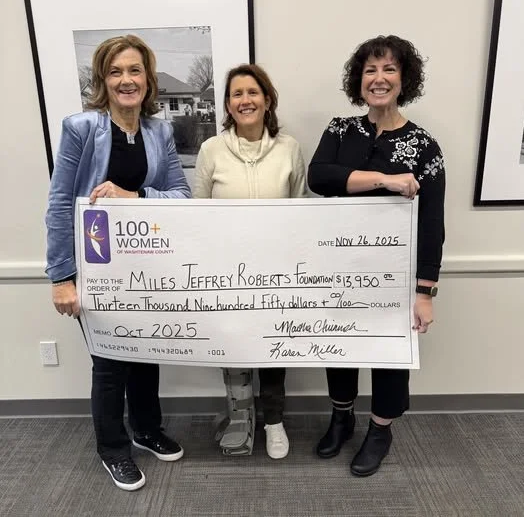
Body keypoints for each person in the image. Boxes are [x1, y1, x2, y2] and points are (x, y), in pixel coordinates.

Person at [45, 35, 191, 491]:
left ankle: (146, 429)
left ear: (148, 79)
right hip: (96, 269)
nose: (126, 80)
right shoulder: (81, 128)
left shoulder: (160, 133)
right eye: (115, 72)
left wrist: (136, 195)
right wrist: (61, 278)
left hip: (146, 268)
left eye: (134, 70)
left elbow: (182, 196)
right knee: (110, 364)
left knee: (146, 354)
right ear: (102, 81)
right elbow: (60, 204)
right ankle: (113, 449)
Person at [308, 35, 445, 477]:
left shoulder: (424, 146)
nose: (379, 78)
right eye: (370, 70)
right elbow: (319, 177)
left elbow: (432, 223)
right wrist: (385, 180)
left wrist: (425, 293)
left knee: (389, 355)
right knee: (338, 346)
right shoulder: (339, 131)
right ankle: (341, 417)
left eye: (389, 69)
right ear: (359, 80)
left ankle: (380, 430)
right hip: (337, 269)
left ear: (404, 79)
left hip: (395, 277)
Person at [193, 64, 307, 459]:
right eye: (237, 94)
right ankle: (240, 417)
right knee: (234, 345)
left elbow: (300, 209)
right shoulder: (211, 150)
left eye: (253, 92)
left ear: (268, 99)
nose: (245, 100)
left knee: (273, 347)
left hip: (277, 272)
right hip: (226, 273)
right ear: (228, 105)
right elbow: (198, 214)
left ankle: (273, 421)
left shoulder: (289, 149)